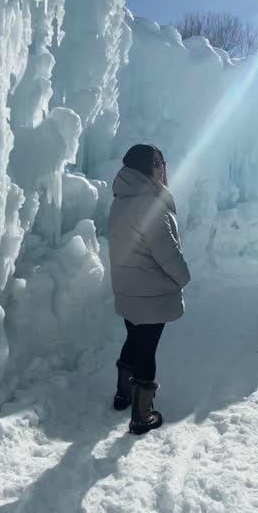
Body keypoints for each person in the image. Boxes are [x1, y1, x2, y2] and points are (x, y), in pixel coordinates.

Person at [107, 144, 192, 435]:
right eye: (160, 163)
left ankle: (123, 394)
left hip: (128, 289)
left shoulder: (122, 200)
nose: (163, 169)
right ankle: (142, 415)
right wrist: (184, 278)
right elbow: (167, 254)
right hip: (151, 293)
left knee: (134, 338)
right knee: (147, 350)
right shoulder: (150, 205)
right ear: (149, 167)